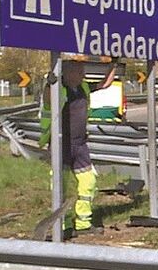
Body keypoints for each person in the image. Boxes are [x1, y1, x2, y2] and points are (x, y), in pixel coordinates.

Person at [41, 60, 116, 238]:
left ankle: (83, 223)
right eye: (79, 72)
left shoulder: (83, 87)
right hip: (62, 145)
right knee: (61, 186)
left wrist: (114, 65)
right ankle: (64, 225)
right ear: (68, 74)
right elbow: (47, 100)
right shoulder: (59, 89)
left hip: (80, 145)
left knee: (88, 182)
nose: (83, 75)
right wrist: (49, 84)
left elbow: (105, 84)